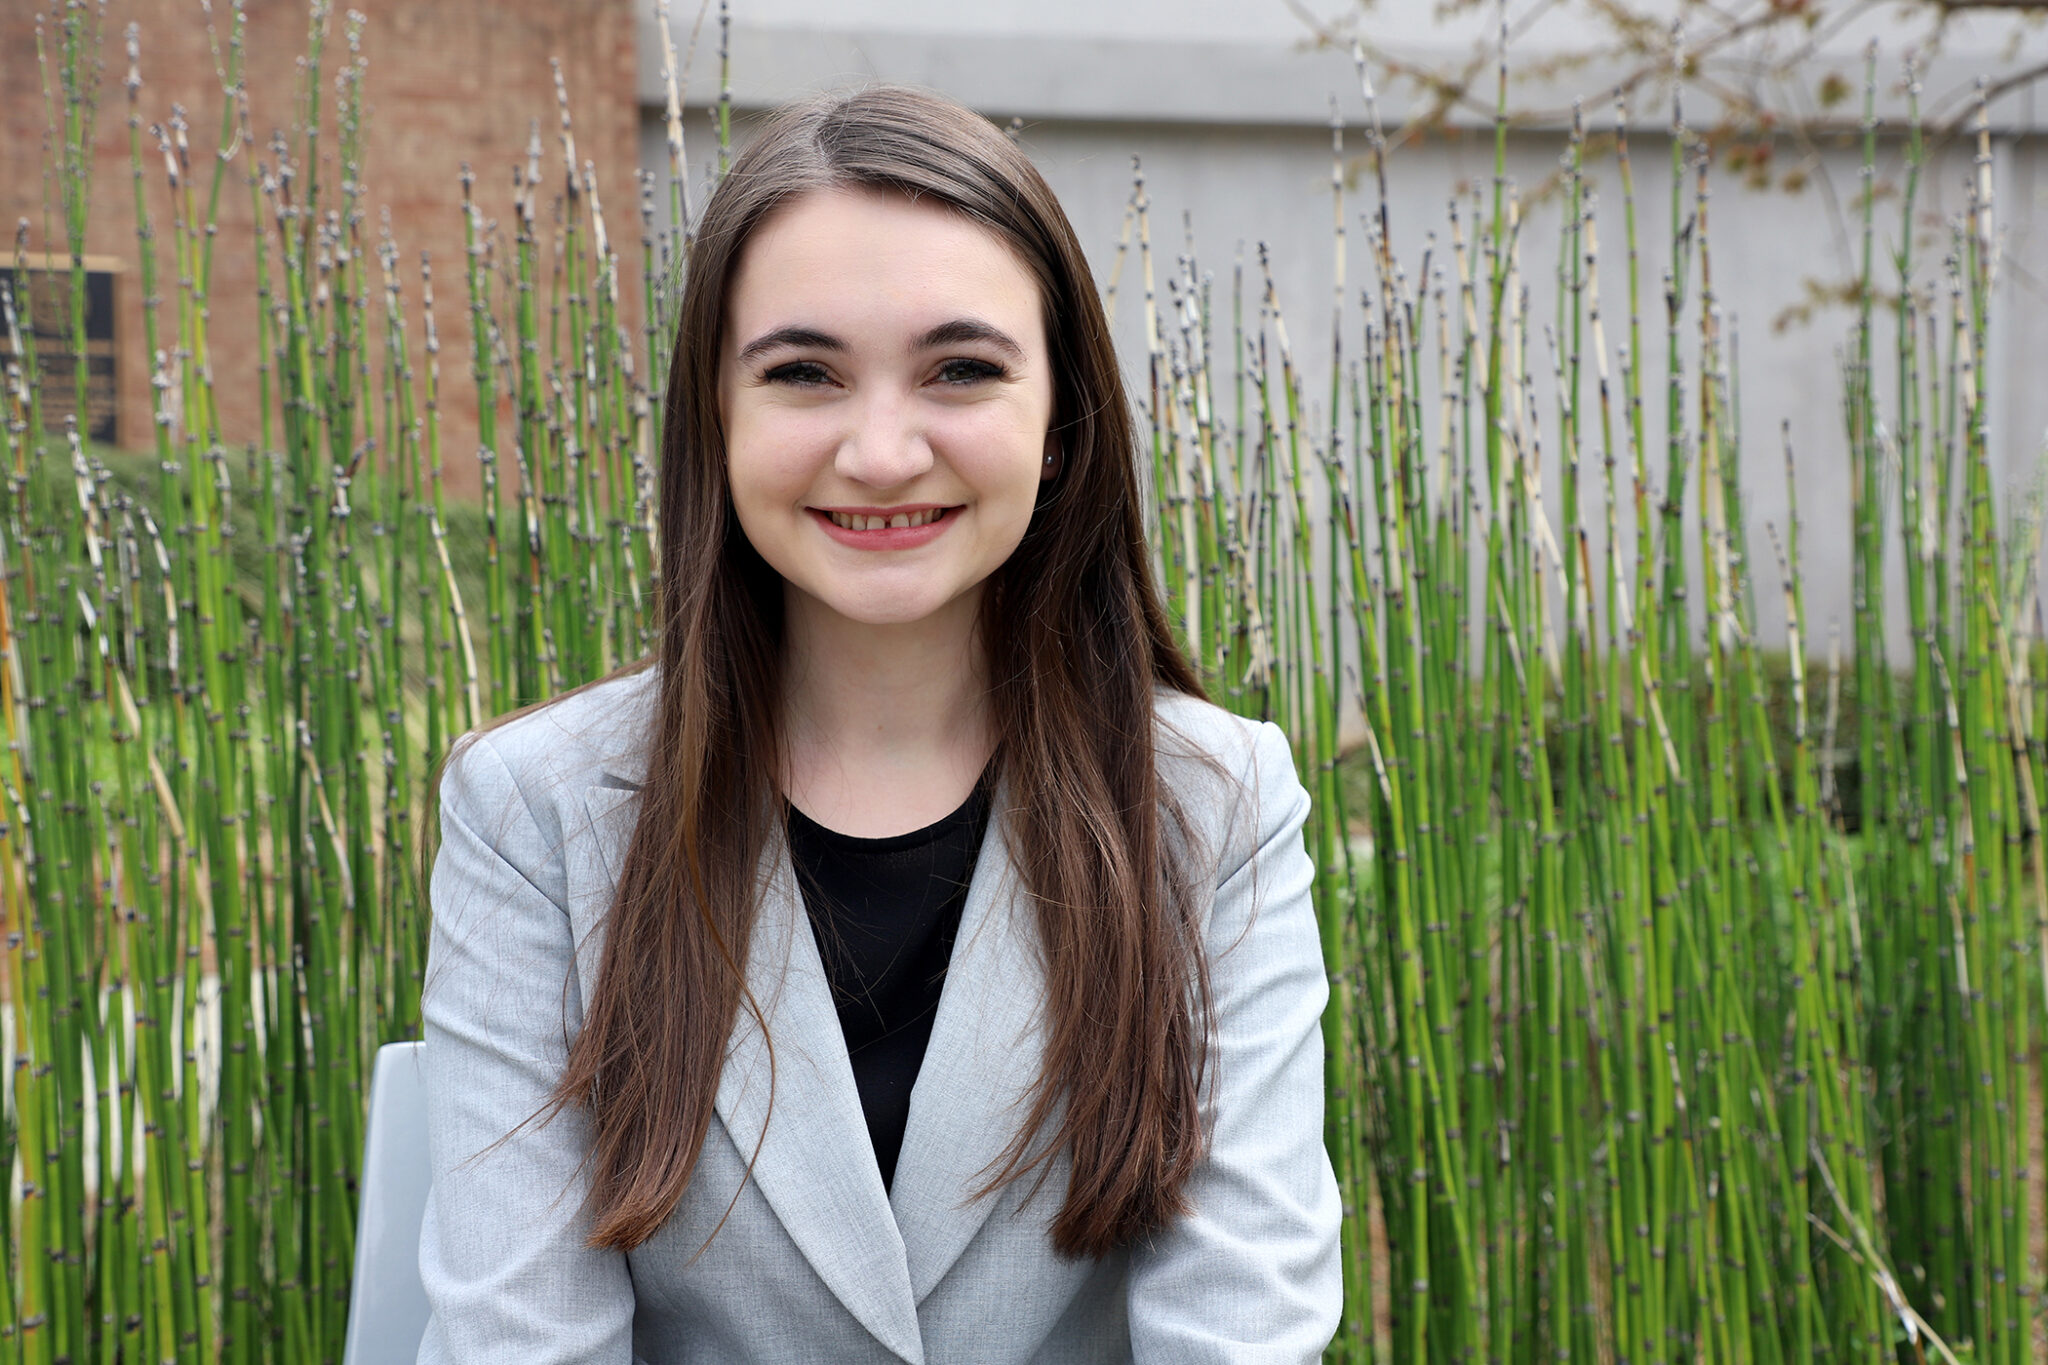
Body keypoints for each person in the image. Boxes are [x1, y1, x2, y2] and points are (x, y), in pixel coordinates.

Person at [417, 84, 1341, 1364]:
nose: (881, 450)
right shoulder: (532, 809)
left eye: (959, 369)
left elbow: (1238, 1331)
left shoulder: (1213, 802)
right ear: (716, 418)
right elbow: (518, 1338)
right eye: (804, 374)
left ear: (1061, 421)